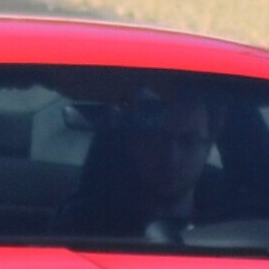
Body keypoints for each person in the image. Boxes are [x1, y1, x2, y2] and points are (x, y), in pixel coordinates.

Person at [54, 93, 217, 240]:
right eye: (157, 139)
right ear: (135, 143)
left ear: (208, 147)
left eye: (189, 141)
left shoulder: (233, 225)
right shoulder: (87, 227)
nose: (172, 156)